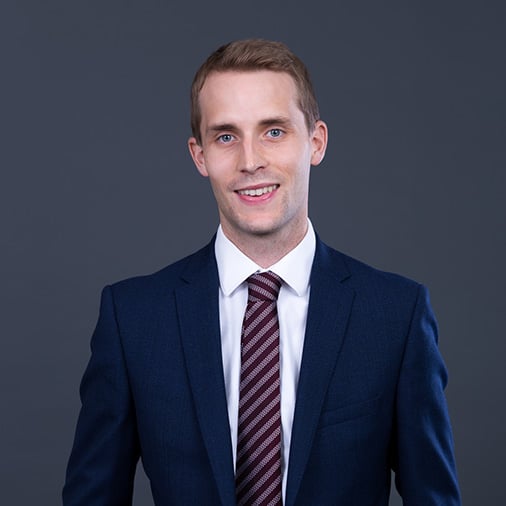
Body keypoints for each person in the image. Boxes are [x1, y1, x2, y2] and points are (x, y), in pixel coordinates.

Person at [63, 39, 461, 505]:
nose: (250, 161)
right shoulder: (134, 319)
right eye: (226, 136)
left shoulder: (395, 315)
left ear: (316, 142)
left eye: (273, 131)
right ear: (199, 156)